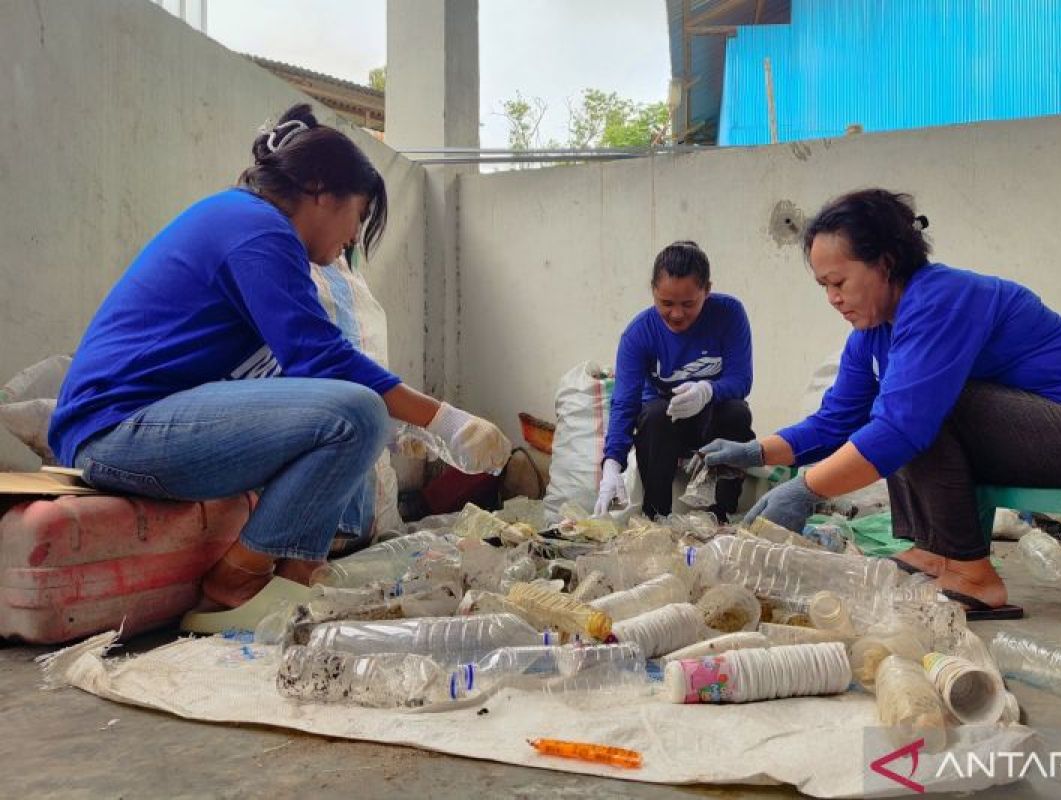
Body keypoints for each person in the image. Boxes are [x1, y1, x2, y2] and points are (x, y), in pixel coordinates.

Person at [48, 104, 511, 623]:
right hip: (117, 430)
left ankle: (295, 582)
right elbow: (320, 359)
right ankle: (236, 584)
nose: (352, 240)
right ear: (319, 190)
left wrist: (401, 430)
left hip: (141, 423)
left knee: (356, 427)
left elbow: (291, 383)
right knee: (356, 413)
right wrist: (444, 419)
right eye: (357, 216)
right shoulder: (257, 229)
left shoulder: (245, 223)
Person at [701, 189, 1061, 619]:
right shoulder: (872, 334)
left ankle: (973, 575)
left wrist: (806, 489)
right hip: (1049, 440)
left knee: (914, 410)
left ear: (886, 262)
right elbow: (834, 422)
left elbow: (904, 427)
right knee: (903, 406)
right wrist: (757, 454)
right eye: (823, 286)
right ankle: (934, 551)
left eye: (839, 281)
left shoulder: (942, 299)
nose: (833, 298)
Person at [595, 241, 754, 521]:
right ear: (653, 291)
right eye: (666, 303)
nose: (677, 314)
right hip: (662, 429)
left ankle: (722, 515)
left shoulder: (729, 314)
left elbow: (741, 379)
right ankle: (656, 518)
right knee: (653, 414)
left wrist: (707, 391)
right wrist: (611, 464)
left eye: (689, 304)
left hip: (712, 421)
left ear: (707, 290)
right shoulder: (639, 333)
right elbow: (624, 404)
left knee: (736, 412)